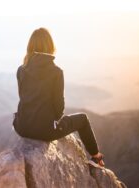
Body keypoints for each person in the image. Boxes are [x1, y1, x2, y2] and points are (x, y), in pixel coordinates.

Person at [12, 27, 105, 167]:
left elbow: (23, 97)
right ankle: (96, 157)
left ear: (30, 47)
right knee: (83, 119)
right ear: (50, 46)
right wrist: (53, 121)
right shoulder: (56, 72)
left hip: (21, 127)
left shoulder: (21, 69)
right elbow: (59, 110)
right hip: (45, 131)